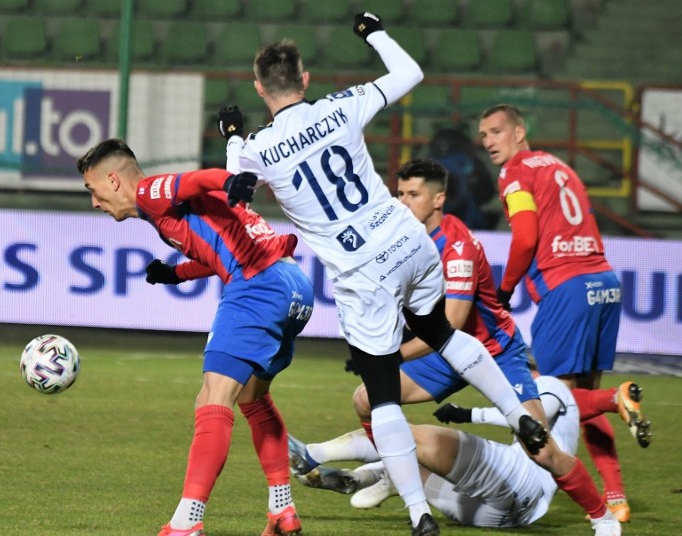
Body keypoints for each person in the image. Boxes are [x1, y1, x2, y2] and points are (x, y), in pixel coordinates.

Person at [218, 12, 549, 536]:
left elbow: (235, 185)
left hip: (363, 273)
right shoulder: (341, 105)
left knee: (382, 396)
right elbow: (410, 72)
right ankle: (517, 414)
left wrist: (234, 137)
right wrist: (374, 32)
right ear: (305, 79)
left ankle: (419, 514)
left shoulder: (258, 147)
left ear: (261, 88)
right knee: (441, 331)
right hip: (408, 243)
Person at [287, 159, 622, 535]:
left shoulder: (457, 246)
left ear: (438, 199)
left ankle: (602, 518)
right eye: (399, 193)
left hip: (492, 352)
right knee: (366, 399)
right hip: (444, 356)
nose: (403, 201)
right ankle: (400, 470)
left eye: (413, 194)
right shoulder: (403, 238)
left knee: (540, 447)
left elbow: (453, 324)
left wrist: (391, 355)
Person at [76, 139, 314, 536]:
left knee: (211, 399)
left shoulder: (150, 193)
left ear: (114, 180)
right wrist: (176, 274)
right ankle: (282, 509)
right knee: (253, 398)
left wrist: (229, 179)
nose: (95, 203)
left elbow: (195, 181)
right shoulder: (165, 215)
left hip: (258, 285)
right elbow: (217, 252)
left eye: (93, 191)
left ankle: (188, 521)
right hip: (294, 286)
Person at [478, 104, 649, 522]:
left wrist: (503, 289)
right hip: (604, 284)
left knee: (559, 397)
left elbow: (525, 238)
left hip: (566, 288)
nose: (488, 142)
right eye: (483, 135)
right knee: (579, 401)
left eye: (496, 131)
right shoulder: (560, 166)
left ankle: (615, 400)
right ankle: (616, 497)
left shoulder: (515, 172)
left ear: (520, 132)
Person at [290, 364, 581, 529]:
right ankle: (363, 478)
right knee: (411, 459)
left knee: (398, 432)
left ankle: (316, 452)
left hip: (519, 479)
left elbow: (530, 419)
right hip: (506, 518)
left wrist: (468, 414)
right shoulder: (568, 404)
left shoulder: (549, 383)